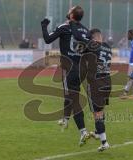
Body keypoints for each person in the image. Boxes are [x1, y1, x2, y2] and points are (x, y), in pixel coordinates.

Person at [41, 6, 90, 146]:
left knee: (73, 99)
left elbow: (47, 40)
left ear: (72, 15)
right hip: (81, 68)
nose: (68, 10)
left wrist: (44, 26)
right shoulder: (85, 30)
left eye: (70, 9)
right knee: (69, 94)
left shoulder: (64, 26)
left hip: (69, 68)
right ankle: (65, 119)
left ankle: (83, 131)